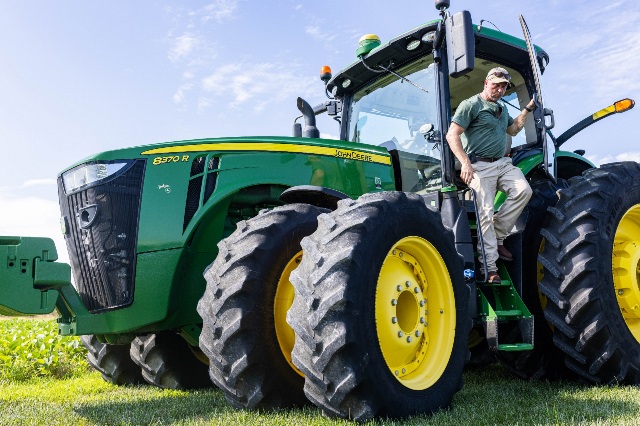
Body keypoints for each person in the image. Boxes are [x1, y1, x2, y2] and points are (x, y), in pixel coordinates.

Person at [446, 67, 534, 284]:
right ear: (486, 83)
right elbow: (452, 134)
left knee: (524, 191)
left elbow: (512, 130)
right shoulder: (471, 105)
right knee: (484, 212)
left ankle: (497, 234)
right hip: (479, 165)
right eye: (496, 85)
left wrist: (527, 109)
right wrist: (465, 163)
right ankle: (490, 268)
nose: (500, 90)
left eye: (504, 86)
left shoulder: (502, 110)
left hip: (502, 163)